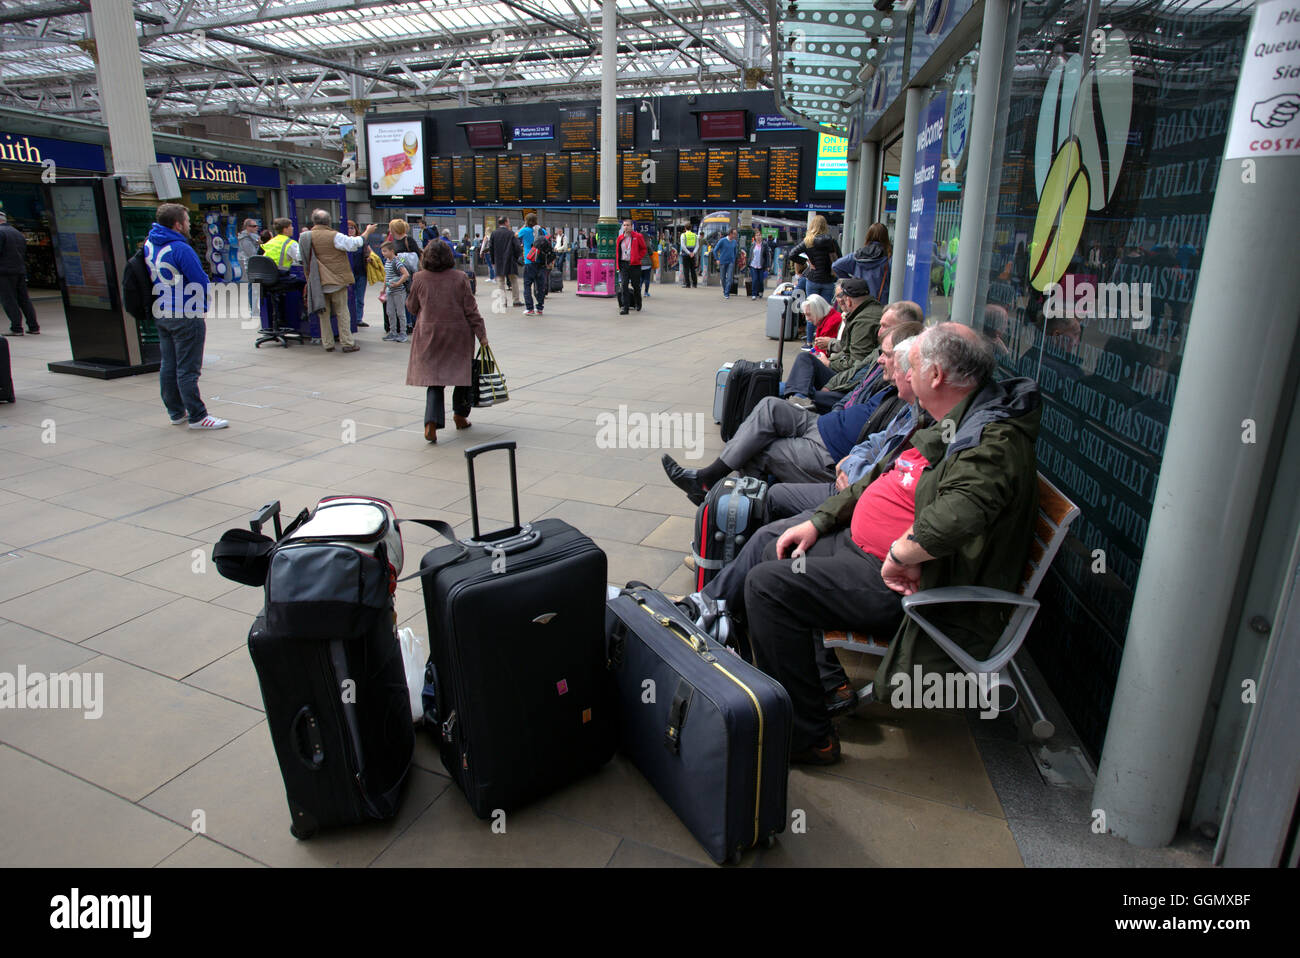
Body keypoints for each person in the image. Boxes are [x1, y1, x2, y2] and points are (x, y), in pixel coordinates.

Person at [740, 324, 1041, 763]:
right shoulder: (958, 415)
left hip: (921, 588)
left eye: (913, 363)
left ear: (935, 376)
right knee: (779, 549)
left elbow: (960, 513)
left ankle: (809, 739)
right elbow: (884, 476)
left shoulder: (991, 439)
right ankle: (821, 688)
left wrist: (901, 554)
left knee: (768, 587)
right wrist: (821, 521)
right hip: (868, 554)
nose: (903, 370)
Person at [677, 332, 925, 709]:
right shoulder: (920, 414)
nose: (881, 361)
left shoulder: (949, 436)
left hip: (874, 553)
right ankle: (709, 606)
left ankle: (817, 694)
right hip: (850, 504)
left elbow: (938, 520)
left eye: (890, 356)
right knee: (770, 538)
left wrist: (900, 551)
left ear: (934, 377)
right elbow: (874, 453)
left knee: (773, 567)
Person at [661, 312, 916, 503]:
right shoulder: (889, 382)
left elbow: (881, 449)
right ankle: (709, 478)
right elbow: (854, 392)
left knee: (759, 451)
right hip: (826, 423)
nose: (881, 357)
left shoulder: (907, 397)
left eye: (887, 354)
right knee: (770, 405)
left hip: (832, 451)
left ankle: (724, 519)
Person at [143, 203, 226, 430]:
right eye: (187, 221)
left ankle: (176, 412)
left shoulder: (150, 243)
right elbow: (199, 280)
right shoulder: (181, 248)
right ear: (178, 224)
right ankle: (198, 416)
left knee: (168, 365)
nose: (189, 225)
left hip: (162, 310)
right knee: (187, 368)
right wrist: (204, 304)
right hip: (185, 313)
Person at [406, 240, 489, 444]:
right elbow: (471, 310)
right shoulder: (460, 278)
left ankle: (431, 424)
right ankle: (460, 416)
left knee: (434, 380)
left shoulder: (419, 278)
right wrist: (482, 336)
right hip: (457, 334)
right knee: (462, 375)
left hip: (429, 334)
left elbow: (411, 306)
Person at [782, 277, 883, 404]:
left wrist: (829, 365)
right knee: (798, 373)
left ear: (849, 301)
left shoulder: (863, 321)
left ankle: (799, 400)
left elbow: (856, 363)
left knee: (804, 360)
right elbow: (850, 352)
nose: (841, 302)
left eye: (842, 298)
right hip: (847, 377)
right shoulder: (866, 312)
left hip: (846, 381)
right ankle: (797, 397)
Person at [300, 209, 374, 353]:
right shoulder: (335, 236)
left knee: (323, 313)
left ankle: (327, 343)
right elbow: (355, 243)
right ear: (328, 221)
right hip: (337, 280)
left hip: (317, 282)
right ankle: (347, 342)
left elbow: (300, 257)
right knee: (342, 312)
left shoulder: (305, 237)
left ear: (314, 221)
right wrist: (367, 231)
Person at [787, 214, 842, 304]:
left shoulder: (808, 241)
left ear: (812, 226)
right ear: (825, 226)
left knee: (811, 309)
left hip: (813, 279)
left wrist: (806, 261)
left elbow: (792, 254)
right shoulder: (831, 241)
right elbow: (840, 259)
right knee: (825, 309)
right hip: (828, 279)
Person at [831, 222, 891, 303]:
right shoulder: (888, 258)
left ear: (868, 236)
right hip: (880, 301)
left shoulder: (857, 255)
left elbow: (836, 266)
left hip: (858, 300)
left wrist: (850, 281)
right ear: (886, 238)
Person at [0, 211, 38, 336]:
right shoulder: (17, 233)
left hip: (4, 272)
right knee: (24, 299)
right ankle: (33, 326)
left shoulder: (0, 232)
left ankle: (16, 328)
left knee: (9, 299)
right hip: (19, 270)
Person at [388, 219, 421, 334]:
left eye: (390, 228)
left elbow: (417, 256)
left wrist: (399, 258)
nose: (389, 231)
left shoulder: (408, 240)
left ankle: (411, 323)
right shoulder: (393, 241)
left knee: (409, 299)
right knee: (402, 300)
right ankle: (406, 323)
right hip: (398, 274)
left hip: (409, 275)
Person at [614, 219, 647, 315]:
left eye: (628, 225)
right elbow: (618, 252)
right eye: (624, 225)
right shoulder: (620, 238)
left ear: (632, 226)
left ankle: (638, 302)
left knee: (635, 285)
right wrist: (618, 265)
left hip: (634, 265)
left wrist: (638, 257)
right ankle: (625, 307)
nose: (626, 227)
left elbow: (643, 249)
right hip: (624, 264)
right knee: (624, 285)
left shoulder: (637, 236)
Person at [489, 216, 523, 307]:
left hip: (499, 261)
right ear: (506, 223)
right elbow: (518, 248)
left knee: (501, 281)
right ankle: (516, 300)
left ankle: (503, 302)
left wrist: (493, 260)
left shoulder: (494, 234)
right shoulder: (511, 233)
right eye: (508, 221)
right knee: (514, 280)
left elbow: (491, 248)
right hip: (510, 260)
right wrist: (516, 258)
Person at [380, 242, 410, 342]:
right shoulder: (387, 261)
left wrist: (397, 284)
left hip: (398, 292)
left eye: (385, 251)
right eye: (382, 251)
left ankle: (403, 333)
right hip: (390, 291)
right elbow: (386, 275)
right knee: (390, 312)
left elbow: (406, 274)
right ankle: (393, 332)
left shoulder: (396, 262)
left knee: (400, 313)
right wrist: (383, 288)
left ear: (392, 251)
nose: (383, 253)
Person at [518, 213, 546, 316]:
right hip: (541, 261)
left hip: (529, 261)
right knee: (540, 285)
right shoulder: (541, 230)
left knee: (527, 285)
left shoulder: (525, 230)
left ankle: (529, 308)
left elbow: (516, 235)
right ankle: (539, 308)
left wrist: (524, 225)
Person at [346, 220, 370, 329]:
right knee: (348, 298)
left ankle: (358, 319)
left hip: (361, 273)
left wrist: (369, 258)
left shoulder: (362, 242)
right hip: (347, 274)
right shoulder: (343, 242)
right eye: (348, 228)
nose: (350, 230)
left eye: (352, 228)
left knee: (359, 298)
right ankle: (349, 319)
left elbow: (369, 253)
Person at [236, 218, 261, 314]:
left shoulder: (253, 237)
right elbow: (252, 253)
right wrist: (258, 244)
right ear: (247, 227)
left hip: (255, 265)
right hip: (251, 266)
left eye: (257, 226)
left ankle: (255, 309)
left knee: (254, 287)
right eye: (254, 226)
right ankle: (254, 310)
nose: (256, 228)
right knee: (253, 288)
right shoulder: (245, 239)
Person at [713, 227, 739, 300]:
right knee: (722, 278)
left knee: (729, 278)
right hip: (723, 262)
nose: (735, 235)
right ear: (730, 233)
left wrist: (733, 259)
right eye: (734, 234)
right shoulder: (722, 241)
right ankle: (725, 290)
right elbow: (715, 250)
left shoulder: (734, 242)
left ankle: (727, 293)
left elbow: (735, 251)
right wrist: (717, 259)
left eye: (736, 234)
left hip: (731, 262)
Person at [748, 231, 774, 300]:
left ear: (761, 236)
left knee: (760, 281)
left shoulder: (764, 244)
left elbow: (767, 256)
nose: (758, 237)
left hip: (761, 265)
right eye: (757, 235)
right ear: (755, 237)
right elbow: (750, 255)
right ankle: (754, 294)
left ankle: (760, 291)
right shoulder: (753, 244)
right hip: (753, 265)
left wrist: (768, 266)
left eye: (759, 235)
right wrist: (748, 264)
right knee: (754, 280)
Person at [640, 231, 654, 299]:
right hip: (647, 264)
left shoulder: (637, 244)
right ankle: (646, 292)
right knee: (647, 279)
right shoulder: (648, 244)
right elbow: (651, 253)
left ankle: (639, 290)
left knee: (640, 278)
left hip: (640, 264)